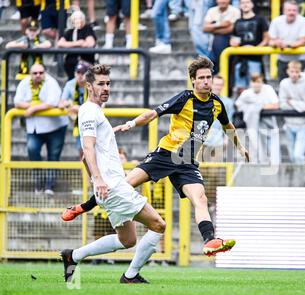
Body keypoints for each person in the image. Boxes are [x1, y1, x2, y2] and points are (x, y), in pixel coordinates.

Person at [62, 56, 248, 257]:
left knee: (200, 199)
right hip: (166, 154)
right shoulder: (184, 98)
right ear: (193, 80)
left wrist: (240, 147)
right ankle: (83, 206)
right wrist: (131, 124)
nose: (206, 81)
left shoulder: (217, 104)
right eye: (201, 77)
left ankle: (210, 240)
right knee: (125, 184)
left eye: (208, 77)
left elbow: (228, 126)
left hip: (187, 163)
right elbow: (152, 114)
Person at [60, 64, 166, 284]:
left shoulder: (97, 112)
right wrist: (98, 180)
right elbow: (86, 150)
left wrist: (96, 181)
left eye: (108, 83)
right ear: (88, 86)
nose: (106, 87)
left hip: (108, 187)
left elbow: (85, 157)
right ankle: (130, 276)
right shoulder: (89, 111)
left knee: (127, 240)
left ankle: (73, 256)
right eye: (101, 83)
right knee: (158, 224)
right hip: (113, 187)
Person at [14, 63, 68, 196]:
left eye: (41, 72)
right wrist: (34, 105)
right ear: (30, 74)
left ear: (45, 72)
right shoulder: (24, 83)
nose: (38, 75)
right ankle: (39, 181)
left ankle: (49, 185)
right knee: (32, 150)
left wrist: (32, 108)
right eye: (35, 73)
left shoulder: (51, 82)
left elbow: (52, 102)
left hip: (55, 127)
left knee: (53, 156)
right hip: (34, 128)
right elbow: (17, 102)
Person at [235, 73, 279, 164]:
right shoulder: (246, 93)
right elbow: (238, 104)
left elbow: (275, 105)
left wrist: (258, 106)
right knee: (255, 151)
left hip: (269, 127)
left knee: (273, 156)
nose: (256, 84)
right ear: (251, 83)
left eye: (258, 81)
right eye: (254, 81)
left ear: (262, 82)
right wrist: (257, 106)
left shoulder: (268, 89)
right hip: (253, 127)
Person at [279, 60, 305, 164]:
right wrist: (298, 104)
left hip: (304, 124)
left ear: (300, 72)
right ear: (287, 71)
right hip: (289, 124)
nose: (294, 74)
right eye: (292, 71)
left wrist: (290, 101)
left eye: (296, 72)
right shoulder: (284, 83)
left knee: (298, 156)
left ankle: (304, 179)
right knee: (292, 157)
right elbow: (283, 105)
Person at [230, 0, 269, 94]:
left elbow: (266, 39)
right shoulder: (237, 21)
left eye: (247, 2)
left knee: (256, 88)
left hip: (255, 59)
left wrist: (254, 49)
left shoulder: (260, 19)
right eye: (242, 3)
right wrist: (233, 43)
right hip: (240, 60)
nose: (245, 5)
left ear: (252, 4)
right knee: (241, 89)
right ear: (239, 5)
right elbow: (233, 39)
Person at [268, 0, 305, 81]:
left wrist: (287, 45)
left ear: (298, 11)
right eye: (289, 10)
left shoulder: (304, 21)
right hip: (282, 59)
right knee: (283, 85)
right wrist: (277, 43)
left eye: (294, 10)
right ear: (284, 11)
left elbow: (303, 41)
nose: (291, 12)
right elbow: (271, 41)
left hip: (299, 59)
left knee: (300, 87)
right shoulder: (276, 21)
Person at [58, 61, 90, 159]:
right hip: (79, 123)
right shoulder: (70, 84)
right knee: (82, 152)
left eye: (83, 73)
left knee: (92, 151)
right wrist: (68, 104)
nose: (80, 76)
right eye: (78, 72)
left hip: (92, 120)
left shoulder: (92, 84)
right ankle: (84, 174)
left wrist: (80, 108)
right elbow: (61, 103)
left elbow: (98, 105)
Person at [202, 74, 235, 162]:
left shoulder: (228, 102)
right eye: (216, 84)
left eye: (220, 85)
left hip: (218, 141)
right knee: (200, 170)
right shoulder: (201, 100)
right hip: (202, 140)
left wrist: (226, 139)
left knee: (215, 171)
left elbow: (229, 122)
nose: (218, 87)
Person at [56, 10, 97, 79]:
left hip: (85, 63)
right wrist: (79, 43)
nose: (78, 21)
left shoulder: (87, 29)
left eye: (80, 18)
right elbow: (60, 43)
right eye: (75, 19)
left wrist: (69, 45)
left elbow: (90, 43)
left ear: (83, 19)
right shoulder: (70, 31)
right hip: (71, 65)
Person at [203, 0, 241, 74]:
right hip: (213, 46)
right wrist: (221, 24)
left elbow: (231, 29)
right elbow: (205, 28)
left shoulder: (235, 11)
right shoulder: (211, 10)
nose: (222, 1)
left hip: (231, 45)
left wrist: (213, 28)